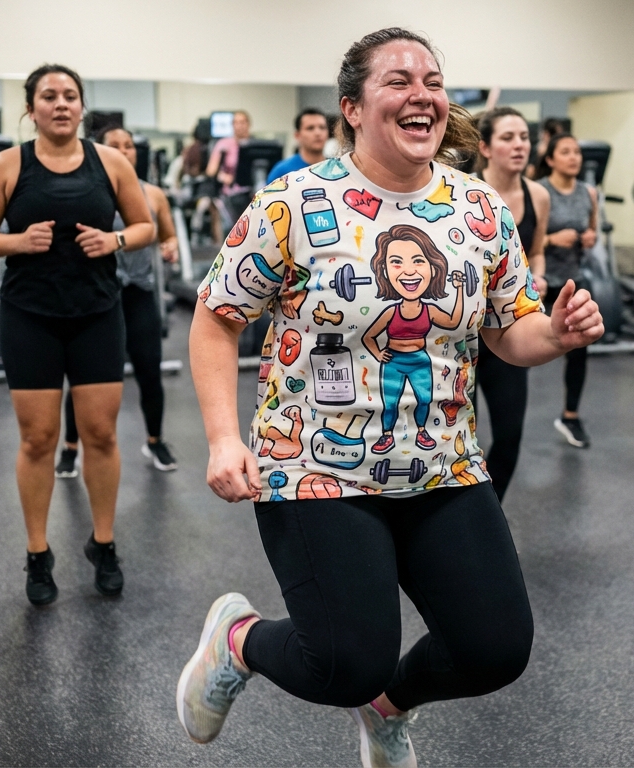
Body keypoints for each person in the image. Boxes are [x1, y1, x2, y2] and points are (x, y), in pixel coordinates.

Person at [177, 27, 604, 765]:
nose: (423, 95)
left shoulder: (478, 209)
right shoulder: (292, 203)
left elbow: (511, 333)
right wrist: (223, 437)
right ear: (353, 107)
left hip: (441, 465)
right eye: (400, 81)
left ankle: (387, 711)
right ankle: (238, 640)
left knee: (495, 647)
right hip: (316, 467)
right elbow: (216, 320)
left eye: (433, 81)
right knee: (346, 662)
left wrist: (558, 335)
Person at [0, 64, 154, 605]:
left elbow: (144, 227)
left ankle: (104, 542)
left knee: (101, 434)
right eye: (49, 96)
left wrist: (116, 241)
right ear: (31, 108)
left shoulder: (110, 163)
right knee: (38, 439)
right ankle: (38, 552)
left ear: (82, 106)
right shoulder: (7, 165)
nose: (61, 104)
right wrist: (18, 243)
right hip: (31, 316)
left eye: (71, 96)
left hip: (97, 313)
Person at [57, 126, 180, 478]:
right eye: (115, 146)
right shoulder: (88, 191)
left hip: (139, 292)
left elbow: (167, 235)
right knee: (84, 376)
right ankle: (70, 448)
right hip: (98, 293)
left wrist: (169, 246)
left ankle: (155, 441)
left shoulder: (153, 194)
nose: (124, 151)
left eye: (129, 146)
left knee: (149, 370)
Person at [473, 106, 548, 499]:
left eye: (524, 137)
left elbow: (536, 251)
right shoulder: (466, 194)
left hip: (509, 330)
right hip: (465, 335)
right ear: (485, 146)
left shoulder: (539, 196)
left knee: (510, 436)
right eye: (507, 137)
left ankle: (492, 511)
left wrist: (539, 274)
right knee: (458, 439)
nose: (519, 145)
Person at [537, 133, 598, 448]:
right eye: (566, 152)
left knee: (579, 351)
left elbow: (593, 232)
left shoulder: (589, 193)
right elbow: (520, 239)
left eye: (577, 151)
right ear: (550, 159)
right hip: (540, 280)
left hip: (572, 280)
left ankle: (570, 416)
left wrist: (589, 238)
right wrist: (550, 240)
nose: (574, 157)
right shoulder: (539, 191)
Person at [204, 110, 253, 221]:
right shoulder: (223, 144)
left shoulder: (255, 144)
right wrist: (224, 177)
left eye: (242, 122)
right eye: (236, 122)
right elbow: (211, 171)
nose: (239, 126)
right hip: (231, 193)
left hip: (252, 191)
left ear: (248, 124)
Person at [267, 107, 330, 182]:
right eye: (310, 128)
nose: (318, 133)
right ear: (297, 135)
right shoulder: (282, 171)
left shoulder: (336, 168)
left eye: (322, 127)